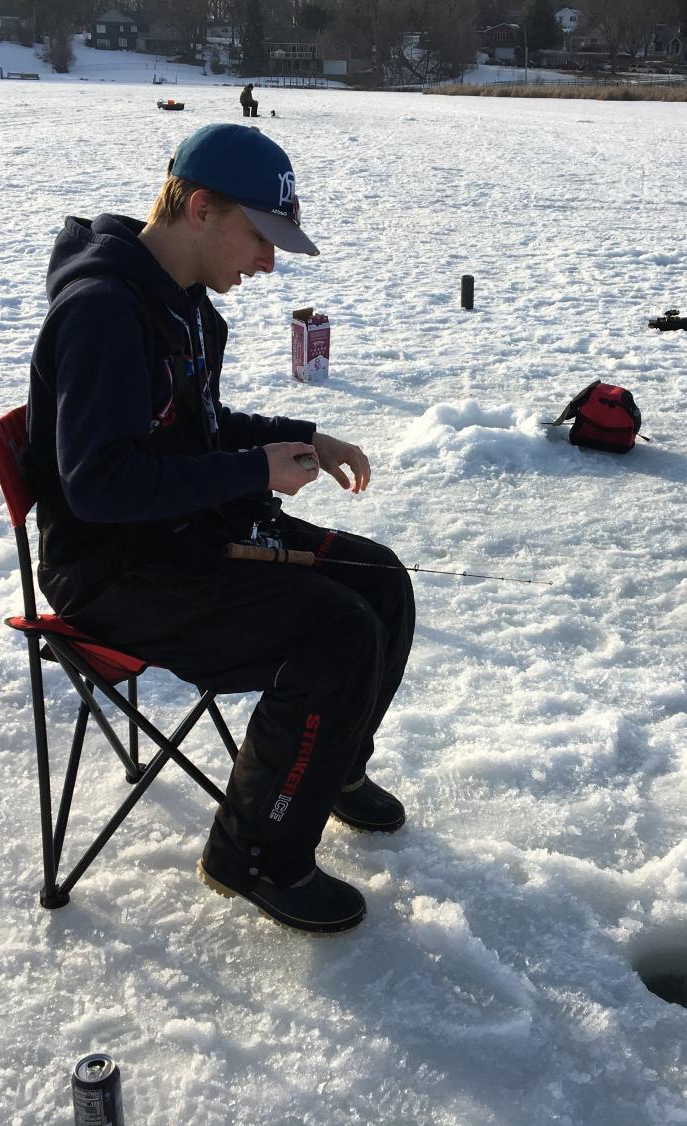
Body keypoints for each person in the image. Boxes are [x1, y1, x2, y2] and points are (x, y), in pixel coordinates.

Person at [26, 124, 414, 934]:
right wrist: (249, 471)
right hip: (116, 573)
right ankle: (255, 854)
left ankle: (328, 770)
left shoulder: (186, 302)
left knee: (380, 583)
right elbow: (97, 485)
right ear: (200, 209)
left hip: (183, 535)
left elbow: (196, 424)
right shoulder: (102, 311)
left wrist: (303, 437)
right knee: (333, 633)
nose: (269, 263)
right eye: (260, 238)